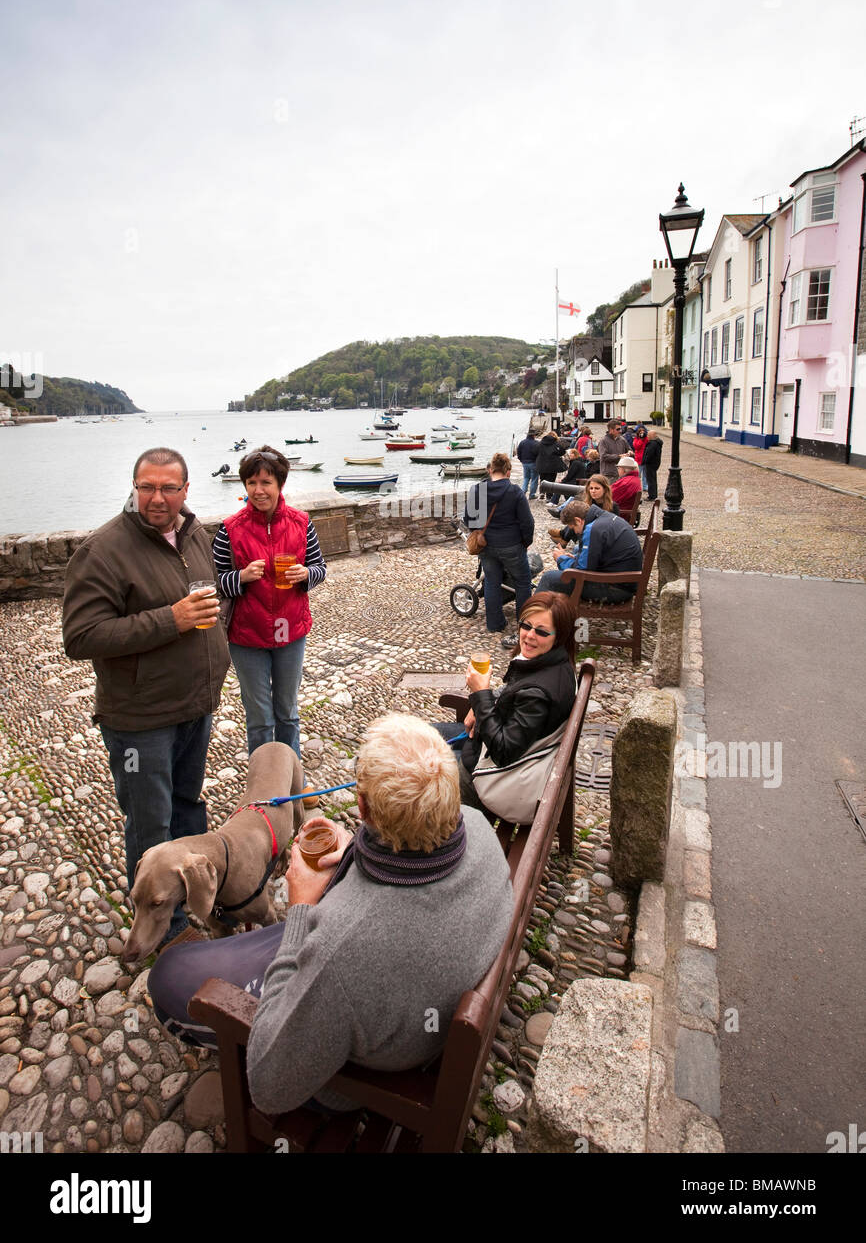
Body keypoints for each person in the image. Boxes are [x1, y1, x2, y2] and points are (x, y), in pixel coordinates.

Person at [147, 714, 513, 1115]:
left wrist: (301, 908)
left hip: (362, 1076)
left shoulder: (342, 945)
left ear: (362, 807)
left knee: (170, 972)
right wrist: (356, 848)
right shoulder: (476, 825)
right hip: (414, 982)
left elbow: (271, 1087)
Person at [62, 447, 230, 947]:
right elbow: (82, 636)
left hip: (193, 707)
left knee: (186, 808)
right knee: (151, 822)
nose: (156, 498)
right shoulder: (103, 550)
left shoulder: (196, 534)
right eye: (146, 487)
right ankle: (167, 930)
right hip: (140, 719)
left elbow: (207, 599)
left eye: (168, 488)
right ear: (135, 487)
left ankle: (195, 897)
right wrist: (171, 619)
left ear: (185, 490)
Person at [212, 446, 326, 757]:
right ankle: (264, 784)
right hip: (247, 636)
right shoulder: (229, 530)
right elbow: (213, 581)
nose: (258, 491)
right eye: (251, 483)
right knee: (260, 718)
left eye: (266, 483)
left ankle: (292, 775)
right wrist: (241, 577)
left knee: (287, 712)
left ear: (280, 485)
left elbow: (320, 569)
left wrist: (305, 574)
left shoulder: (301, 523)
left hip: (290, 630)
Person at [441, 592, 577, 816]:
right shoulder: (554, 663)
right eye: (526, 625)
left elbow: (503, 751)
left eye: (541, 631)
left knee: (415, 766)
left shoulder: (538, 693)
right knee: (417, 738)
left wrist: (481, 694)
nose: (530, 636)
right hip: (490, 739)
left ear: (559, 636)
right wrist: (481, 705)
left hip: (483, 772)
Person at [464, 452, 534, 646]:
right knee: (522, 583)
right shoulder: (515, 492)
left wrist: (479, 533)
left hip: (487, 545)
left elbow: (469, 519)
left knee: (492, 582)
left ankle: (494, 624)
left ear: (490, 470)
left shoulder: (477, 490)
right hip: (512, 544)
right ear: (508, 472)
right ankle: (524, 625)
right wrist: (525, 543)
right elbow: (527, 522)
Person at [536, 500, 642, 602]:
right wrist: (574, 558)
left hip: (616, 589)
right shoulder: (604, 517)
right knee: (569, 560)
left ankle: (532, 617)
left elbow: (582, 571)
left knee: (548, 578)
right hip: (625, 581)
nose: (574, 531)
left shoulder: (592, 529)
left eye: (572, 527)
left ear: (578, 520)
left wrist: (561, 559)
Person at [535, 431, 567, 499]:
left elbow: (535, 451)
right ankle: (549, 496)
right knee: (551, 480)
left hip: (541, 464)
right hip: (553, 465)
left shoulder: (540, 443)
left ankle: (542, 492)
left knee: (542, 478)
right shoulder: (556, 443)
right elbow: (562, 451)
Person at [516, 429, 542, 498]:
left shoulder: (522, 442)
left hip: (525, 463)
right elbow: (539, 454)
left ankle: (523, 492)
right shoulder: (536, 443)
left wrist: (521, 460)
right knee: (534, 479)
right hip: (533, 463)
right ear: (533, 435)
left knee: (526, 478)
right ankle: (532, 495)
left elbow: (518, 452)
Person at [642, 429, 663, 500]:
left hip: (650, 464)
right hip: (655, 463)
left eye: (648, 435)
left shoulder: (652, 444)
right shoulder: (657, 443)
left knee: (650, 480)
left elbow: (648, 454)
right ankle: (654, 494)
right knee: (653, 479)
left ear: (652, 436)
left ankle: (652, 496)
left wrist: (644, 461)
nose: (647, 436)